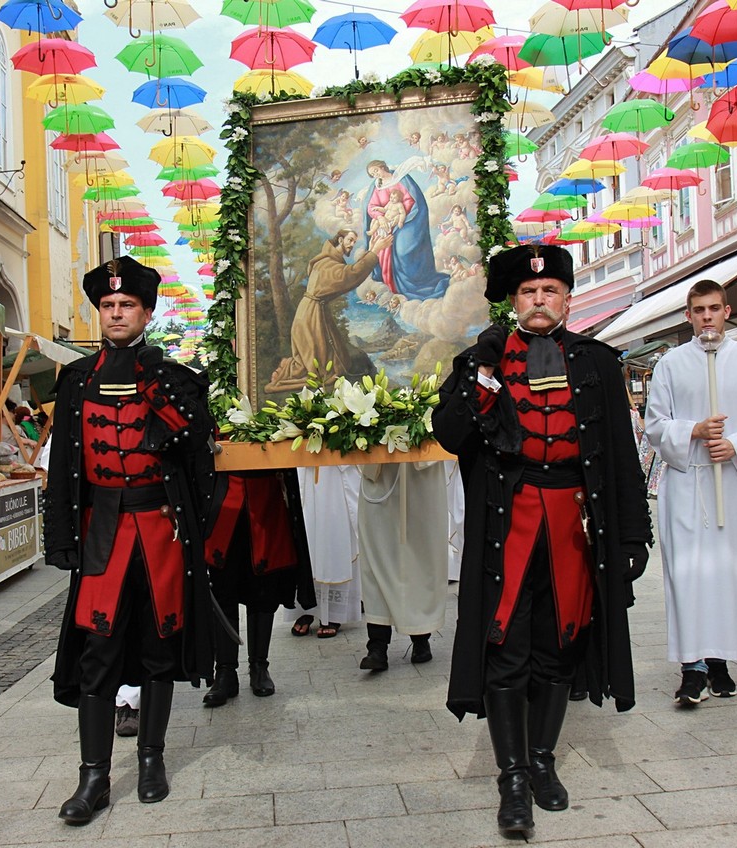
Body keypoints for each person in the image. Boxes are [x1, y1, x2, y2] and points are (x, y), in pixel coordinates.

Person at [433, 244, 652, 837]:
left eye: (550, 291)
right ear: (513, 300)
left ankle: (543, 761)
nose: (539, 300)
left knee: (560, 644)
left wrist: (633, 533)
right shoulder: (481, 360)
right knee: (507, 648)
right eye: (529, 293)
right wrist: (479, 375)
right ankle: (512, 778)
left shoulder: (599, 363)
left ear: (566, 298)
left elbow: (623, 461)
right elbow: (451, 435)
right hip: (509, 522)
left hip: (575, 524)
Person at [44, 255, 216, 825]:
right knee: (99, 650)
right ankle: (92, 777)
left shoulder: (174, 377)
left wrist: (197, 534)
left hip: (160, 533)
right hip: (103, 535)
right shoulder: (75, 380)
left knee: (158, 648)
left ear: (147, 312)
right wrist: (60, 536)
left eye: (127, 306)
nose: (116, 314)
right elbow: (63, 466)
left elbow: (199, 460)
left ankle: (151, 761)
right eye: (108, 306)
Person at [644, 280, 737, 705]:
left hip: (735, 483)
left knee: (730, 572)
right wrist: (695, 431)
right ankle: (692, 668)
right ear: (687, 315)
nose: (706, 316)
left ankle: (721, 660)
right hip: (687, 484)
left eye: (713, 308)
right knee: (687, 575)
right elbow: (655, 424)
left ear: (727, 311)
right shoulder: (670, 364)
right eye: (698, 309)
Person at [202, 469, 315, 706]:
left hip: (265, 494)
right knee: (223, 588)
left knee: (264, 587)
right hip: (223, 496)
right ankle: (225, 672)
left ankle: (259, 666)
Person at [265, 229, 392, 394]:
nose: (352, 245)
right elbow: (350, 275)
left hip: (314, 312)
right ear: (340, 239)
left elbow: (347, 273)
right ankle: (286, 370)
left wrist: (372, 250)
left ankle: (289, 367)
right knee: (321, 369)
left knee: (335, 361)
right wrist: (374, 252)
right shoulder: (326, 264)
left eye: (354, 241)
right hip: (310, 317)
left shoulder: (328, 261)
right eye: (350, 240)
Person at [356, 462, 448, 672]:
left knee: (421, 557)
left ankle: (421, 637)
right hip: (379, 467)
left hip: (421, 472)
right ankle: (377, 646)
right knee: (375, 557)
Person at [286, 465, 363, 638]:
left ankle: (334, 613)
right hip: (304, 465)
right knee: (306, 530)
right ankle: (306, 608)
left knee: (333, 532)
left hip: (336, 469)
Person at [361, 159, 449, 300]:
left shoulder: (401, 178)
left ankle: (414, 284)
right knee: (378, 244)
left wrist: (398, 218)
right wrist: (381, 218)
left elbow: (412, 200)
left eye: (376, 170)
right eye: (372, 174)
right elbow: (371, 207)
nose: (376, 175)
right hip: (385, 223)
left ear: (383, 166)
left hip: (408, 221)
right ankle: (389, 285)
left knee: (403, 250)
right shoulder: (377, 186)